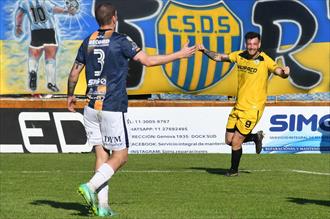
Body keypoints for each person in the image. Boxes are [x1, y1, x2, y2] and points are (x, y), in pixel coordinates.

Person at [67, 2, 195, 217]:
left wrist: (70, 96)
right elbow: (148, 61)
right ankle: (90, 186)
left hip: (90, 106)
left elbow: (73, 73)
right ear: (114, 17)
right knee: (121, 156)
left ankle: (103, 207)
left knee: (101, 154)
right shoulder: (121, 40)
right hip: (112, 106)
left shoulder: (87, 41)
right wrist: (179, 55)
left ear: (98, 19)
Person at [197, 32, 290, 177]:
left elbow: (278, 71)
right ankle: (254, 137)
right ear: (246, 44)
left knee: (236, 142)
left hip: (253, 108)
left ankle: (233, 171)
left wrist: (285, 73)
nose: (252, 47)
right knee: (228, 140)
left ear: (259, 45)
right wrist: (204, 51)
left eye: (254, 44)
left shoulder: (264, 59)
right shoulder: (240, 55)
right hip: (238, 105)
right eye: (249, 44)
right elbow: (219, 57)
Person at [15, 0, 75, 92]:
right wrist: (67, 11)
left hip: (36, 32)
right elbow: (55, 9)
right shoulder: (45, 2)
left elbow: (19, 15)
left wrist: (18, 26)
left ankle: (32, 71)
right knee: (50, 58)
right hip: (49, 31)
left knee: (33, 56)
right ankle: (51, 83)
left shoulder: (25, 3)